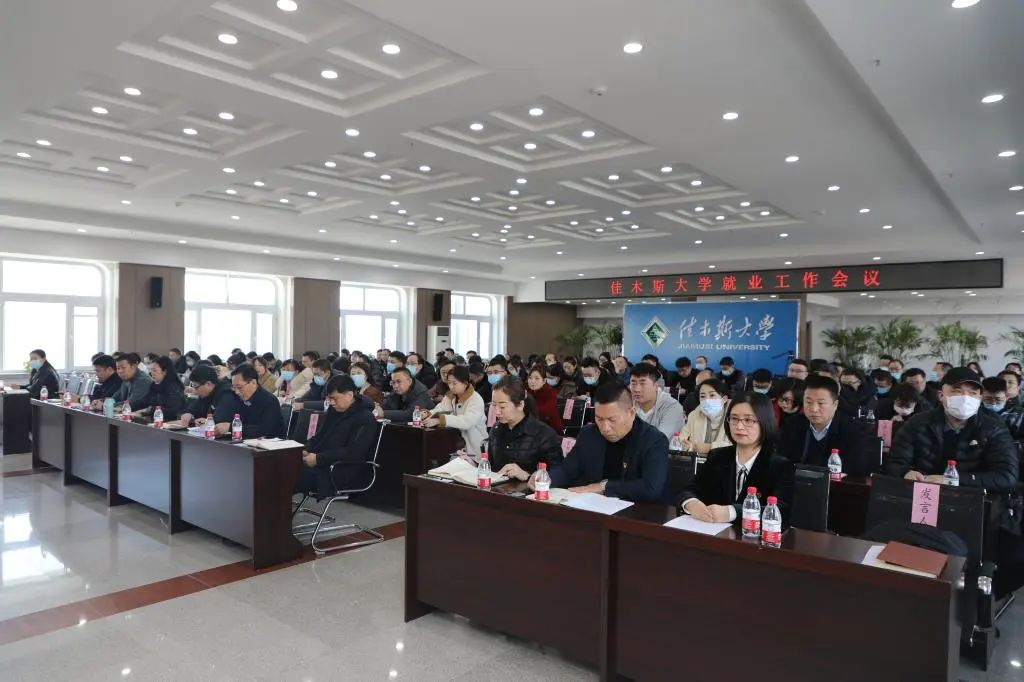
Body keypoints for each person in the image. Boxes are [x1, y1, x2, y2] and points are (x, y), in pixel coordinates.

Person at [886, 367, 1017, 491]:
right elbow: (894, 462)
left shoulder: (993, 427)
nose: (965, 398)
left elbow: (1006, 476)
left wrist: (953, 480)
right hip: (923, 494)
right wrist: (905, 473)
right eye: (957, 391)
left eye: (972, 393)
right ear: (941, 395)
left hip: (971, 498)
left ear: (979, 398)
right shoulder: (918, 422)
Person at [539, 381, 670, 502]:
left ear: (631, 413)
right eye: (599, 419)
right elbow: (568, 470)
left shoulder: (653, 441)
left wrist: (603, 487)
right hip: (591, 506)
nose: (605, 428)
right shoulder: (588, 434)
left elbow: (651, 488)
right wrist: (546, 479)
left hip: (635, 511)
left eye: (612, 420)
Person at [679, 393, 795, 522]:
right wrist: (691, 503)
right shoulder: (718, 456)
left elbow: (781, 510)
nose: (739, 426)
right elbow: (689, 490)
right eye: (734, 419)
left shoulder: (780, 466)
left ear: (764, 422)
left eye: (748, 420)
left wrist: (733, 512)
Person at [295, 376, 379, 496]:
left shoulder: (365, 418)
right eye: (329, 398)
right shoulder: (333, 410)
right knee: (281, 469)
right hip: (320, 463)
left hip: (339, 470)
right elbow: (318, 437)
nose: (331, 402)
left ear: (349, 395)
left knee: (289, 478)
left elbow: (354, 452)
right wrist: (306, 449)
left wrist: (318, 459)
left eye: (334, 398)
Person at [778, 374, 871, 476]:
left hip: (834, 485)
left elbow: (856, 471)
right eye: (808, 402)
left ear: (835, 405)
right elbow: (783, 462)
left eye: (821, 403)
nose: (814, 409)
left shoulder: (853, 431)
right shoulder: (792, 425)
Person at [484, 376, 563, 480]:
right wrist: (475, 464)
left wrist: (526, 475)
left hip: (528, 489)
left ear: (520, 405)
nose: (497, 412)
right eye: (494, 405)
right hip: (498, 487)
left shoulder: (544, 434)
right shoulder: (496, 429)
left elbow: (558, 474)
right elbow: (492, 467)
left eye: (502, 407)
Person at [422, 365, 487, 454]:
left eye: (454, 383)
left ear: (465, 383)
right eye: (449, 383)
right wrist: (428, 413)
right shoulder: (450, 396)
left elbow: (467, 421)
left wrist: (440, 420)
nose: (451, 386)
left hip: (474, 445)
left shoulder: (476, 399)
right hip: (454, 442)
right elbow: (441, 409)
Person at [215, 364, 284, 438]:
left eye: (239, 387)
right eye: (234, 387)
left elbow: (265, 430)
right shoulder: (240, 399)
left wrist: (231, 427)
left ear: (253, 382)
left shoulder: (269, 400)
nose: (236, 392)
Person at [629, 363, 685, 440]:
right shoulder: (627, 403)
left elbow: (658, 440)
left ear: (656, 386)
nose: (636, 389)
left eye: (642, 383)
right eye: (633, 383)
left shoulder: (672, 407)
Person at [680, 378, 732, 454]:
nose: (707, 400)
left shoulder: (734, 417)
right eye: (702, 396)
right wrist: (687, 446)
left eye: (712, 395)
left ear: (724, 399)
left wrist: (708, 448)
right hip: (696, 460)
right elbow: (682, 440)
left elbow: (737, 447)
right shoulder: (694, 415)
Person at [135, 356, 187, 420]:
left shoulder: (173, 387)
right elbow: (145, 401)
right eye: (151, 370)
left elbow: (172, 411)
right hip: (157, 419)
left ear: (164, 371)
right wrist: (129, 406)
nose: (151, 373)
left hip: (171, 421)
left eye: (154, 370)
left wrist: (148, 411)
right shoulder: (155, 384)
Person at [982, 376, 1024, 442]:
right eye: (988, 399)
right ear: (981, 396)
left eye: (998, 399)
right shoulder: (975, 413)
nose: (993, 403)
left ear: (1006, 396)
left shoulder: (1018, 415)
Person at [526, 364, 563, 433]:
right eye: (530, 378)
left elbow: (547, 411)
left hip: (551, 429)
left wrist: (527, 410)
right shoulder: (527, 391)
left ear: (544, 381)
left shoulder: (551, 392)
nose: (532, 381)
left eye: (537, 378)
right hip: (532, 426)